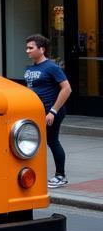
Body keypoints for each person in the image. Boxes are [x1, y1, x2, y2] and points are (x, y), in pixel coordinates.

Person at [23, 34, 72, 189]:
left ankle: (60, 176)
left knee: (52, 141)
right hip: (37, 112)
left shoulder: (51, 67)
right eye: (27, 48)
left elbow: (67, 89)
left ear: (42, 49)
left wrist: (53, 111)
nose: (27, 51)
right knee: (33, 143)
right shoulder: (29, 68)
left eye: (31, 48)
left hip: (51, 112)